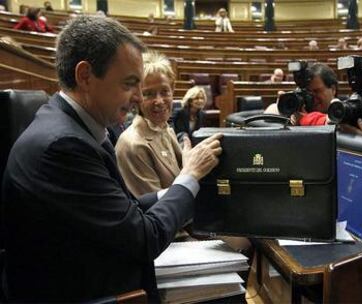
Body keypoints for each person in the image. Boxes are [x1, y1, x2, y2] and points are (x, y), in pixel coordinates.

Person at [2, 16, 222, 302]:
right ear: (85, 76)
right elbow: (144, 238)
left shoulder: (79, 127)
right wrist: (189, 178)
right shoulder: (64, 146)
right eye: (130, 84)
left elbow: (125, 209)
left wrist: (177, 188)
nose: (138, 97)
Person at [115, 51, 182, 197]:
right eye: (148, 94)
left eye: (165, 91)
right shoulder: (132, 145)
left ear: (173, 90)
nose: (159, 101)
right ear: (136, 97)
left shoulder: (166, 129)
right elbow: (158, 210)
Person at [264, 63, 338, 126]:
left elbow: (332, 122)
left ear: (333, 89)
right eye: (307, 92)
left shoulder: (341, 109)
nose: (311, 97)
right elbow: (267, 115)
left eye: (317, 91)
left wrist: (304, 119)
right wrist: (284, 109)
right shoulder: (298, 110)